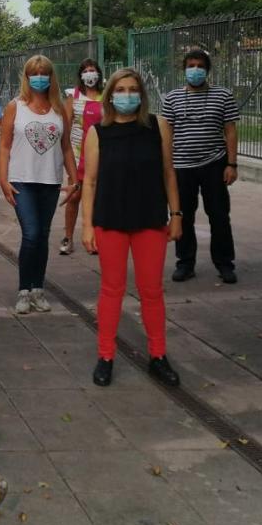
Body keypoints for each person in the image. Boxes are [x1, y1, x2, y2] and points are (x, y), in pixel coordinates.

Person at [81, 68, 182, 388]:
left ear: (142, 93)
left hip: (150, 218)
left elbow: (168, 172)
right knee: (112, 289)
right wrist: (86, 225)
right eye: (121, 89)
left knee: (152, 290)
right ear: (110, 95)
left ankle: (158, 355)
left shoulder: (159, 126)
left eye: (132, 89)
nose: (127, 95)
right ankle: (106, 355)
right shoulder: (98, 132)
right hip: (110, 219)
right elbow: (90, 182)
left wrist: (176, 214)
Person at [0, 55, 76, 315]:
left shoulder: (58, 108)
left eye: (44, 73)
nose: (39, 78)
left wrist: (74, 178)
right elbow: (5, 146)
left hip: (50, 181)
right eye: (34, 73)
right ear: (27, 77)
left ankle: (38, 288)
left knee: (42, 235)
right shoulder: (15, 107)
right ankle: (23, 290)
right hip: (22, 180)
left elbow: (65, 148)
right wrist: (3, 180)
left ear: (51, 77)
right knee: (30, 234)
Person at [161, 49, 240, 284]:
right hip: (182, 166)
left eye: (200, 66)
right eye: (191, 65)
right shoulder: (172, 98)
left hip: (214, 164)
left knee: (219, 216)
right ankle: (185, 263)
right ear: (184, 69)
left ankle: (225, 263)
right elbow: (167, 134)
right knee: (183, 216)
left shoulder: (223, 96)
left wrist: (232, 164)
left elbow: (230, 131)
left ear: (207, 70)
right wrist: (166, 168)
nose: (195, 70)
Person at [60, 58, 105, 254]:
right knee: (74, 197)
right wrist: (66, 155)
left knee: (97, 198)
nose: (89, 74)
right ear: (80, 75)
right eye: (86, 70)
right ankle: (68, 238)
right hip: (78, 155)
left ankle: (94, 237)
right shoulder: (73, 96)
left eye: (92, 70)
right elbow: (66, 127)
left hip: (100, 154)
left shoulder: (106, 96)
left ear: (99, 74)